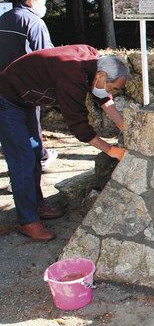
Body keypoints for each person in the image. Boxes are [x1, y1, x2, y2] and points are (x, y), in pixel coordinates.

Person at [0, 45, 129, 241]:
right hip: (7, 98)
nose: (112, 91)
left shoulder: (93, 62)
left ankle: (36, 204)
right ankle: (27, 221)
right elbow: (79, 126)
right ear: (101, 76)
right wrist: (111, 150)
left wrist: (121, 124)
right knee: (22, 159)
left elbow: (102, 95)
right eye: (113, 87)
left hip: (26, 98)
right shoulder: (72, 75)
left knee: (35, 152)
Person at [0, 0, 58, 170]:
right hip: (26, 88)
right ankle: (38, 161)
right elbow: (46, 55)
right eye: (43, 2)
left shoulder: (3, 18)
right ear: (33, 0)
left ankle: (27, 166)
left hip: (3, 86)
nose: (45, 7)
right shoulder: (34, 22)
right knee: (31, 129)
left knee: (12, 137)